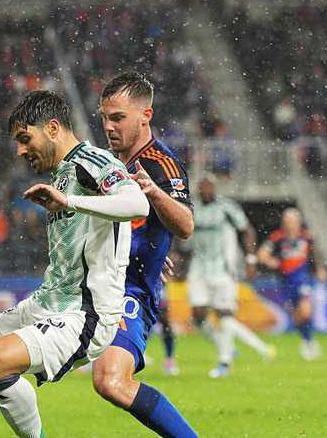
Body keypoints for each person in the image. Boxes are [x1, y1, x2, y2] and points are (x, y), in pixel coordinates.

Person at [0, 90, 149, 438]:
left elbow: (136, 203)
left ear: (52, 128)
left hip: (84, 314)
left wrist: (68, 200)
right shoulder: (62, 174)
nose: (20, 150)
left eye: (25, 138)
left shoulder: (93, 161)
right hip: (45, 303)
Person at [91, 72, 197, 437]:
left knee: (110, 381)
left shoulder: (161, 165)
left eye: (117, 117)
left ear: (145, 115)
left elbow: (185, 225)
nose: (108, 126)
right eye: (104, 117)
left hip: (128, 292)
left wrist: (155, 194)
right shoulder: (108, 162)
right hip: (89, 284)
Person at [189, 174, 275, 378]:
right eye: (203, 187)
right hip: (199, 267)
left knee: (224, 314)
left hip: (223, 269)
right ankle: (227, 346)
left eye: (209, 186)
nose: (206, 190)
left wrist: (251, 259)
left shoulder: (226, 207)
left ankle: (225, 361)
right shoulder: (191, 207)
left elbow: (247, 231)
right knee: (198, 316)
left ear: (215, 188)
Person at [257, 208, 327, 361]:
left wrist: (320, 269)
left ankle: (308, 342)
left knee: (305, 311)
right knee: (297, 317)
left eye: (293, 221)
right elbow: (262, 254)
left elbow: (316, 254)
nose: (291, 224)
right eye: (288, 221)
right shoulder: (277, 238)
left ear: (299, 222)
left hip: (303, 280)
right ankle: (307, 340)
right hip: (285, 282)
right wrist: (271, 261)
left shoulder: (307, 237)